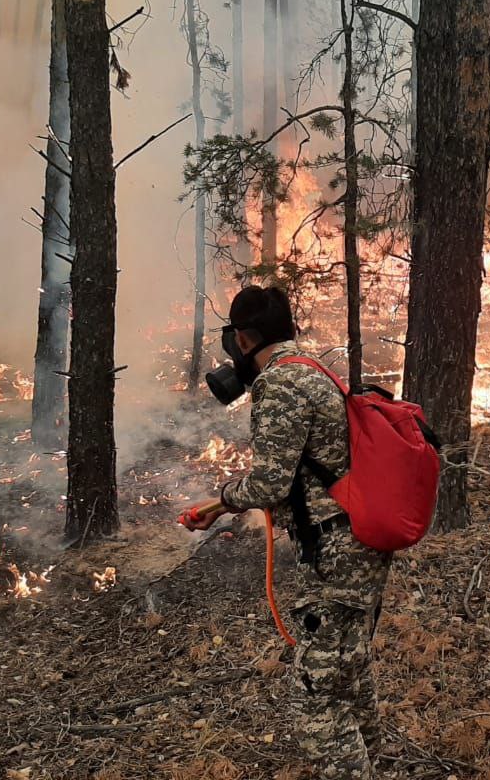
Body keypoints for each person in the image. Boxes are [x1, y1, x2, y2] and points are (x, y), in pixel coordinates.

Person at [190, 285, 391, 779]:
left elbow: (270, 481)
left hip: (337, 554)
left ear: (241, 339)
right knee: (349, 672)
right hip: (357, 543)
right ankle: (377, 766)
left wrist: (221, 502)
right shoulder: (312, 367)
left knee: (316, 704)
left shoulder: (280, 383)